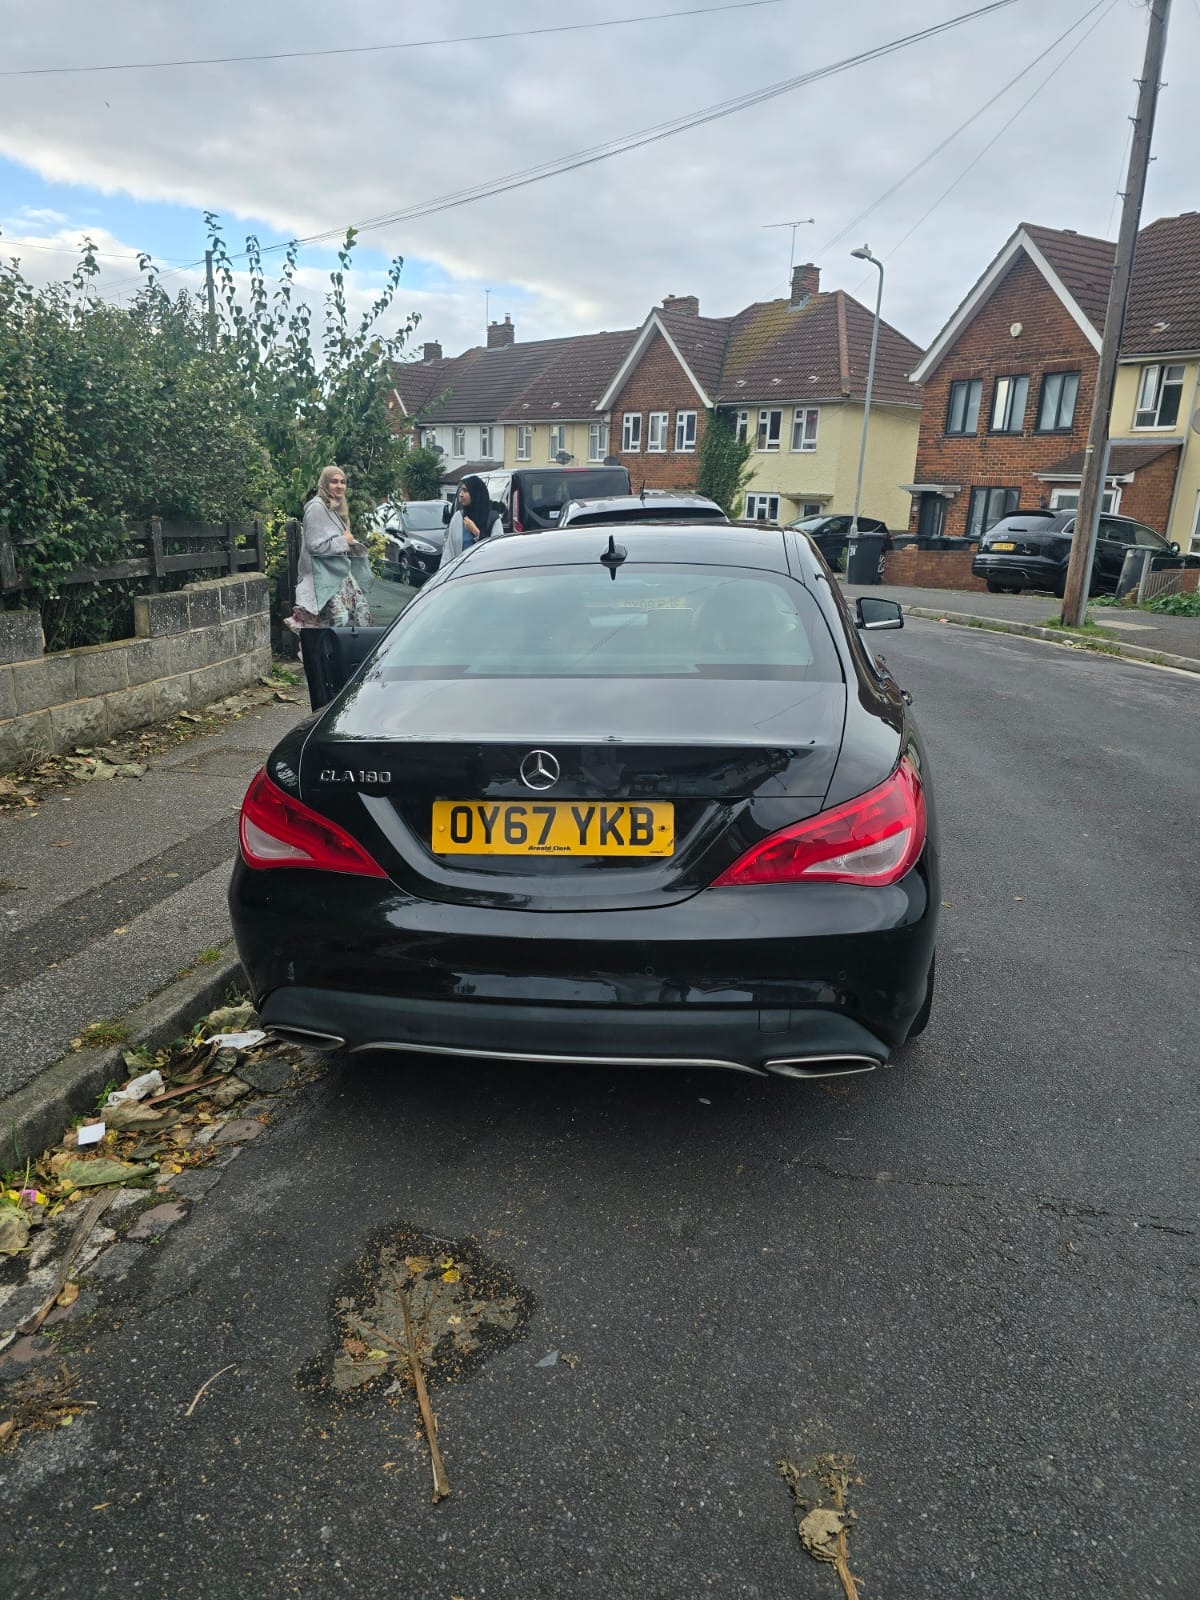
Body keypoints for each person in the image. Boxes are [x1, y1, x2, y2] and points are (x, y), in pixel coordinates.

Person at [287, 465, 374, 631]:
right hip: (323, 576)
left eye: (343, 482)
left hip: (338, 575)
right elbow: (315, 546)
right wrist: (344, 541)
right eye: (334, 482)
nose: (339, 486)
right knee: (338, 622)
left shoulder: (334, 507)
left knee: (360, 617)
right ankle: (330, 656)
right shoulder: (317, 508)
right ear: (324, 484)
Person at [439, 474, 502, 566]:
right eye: (461, 490)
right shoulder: (458, 517)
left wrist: (476, 532)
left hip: (485, 576)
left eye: (465, 491)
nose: (460, 494)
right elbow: (449, 552)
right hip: (461, 575)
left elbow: (497, 552)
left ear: (475, 493)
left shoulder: (493, 520)